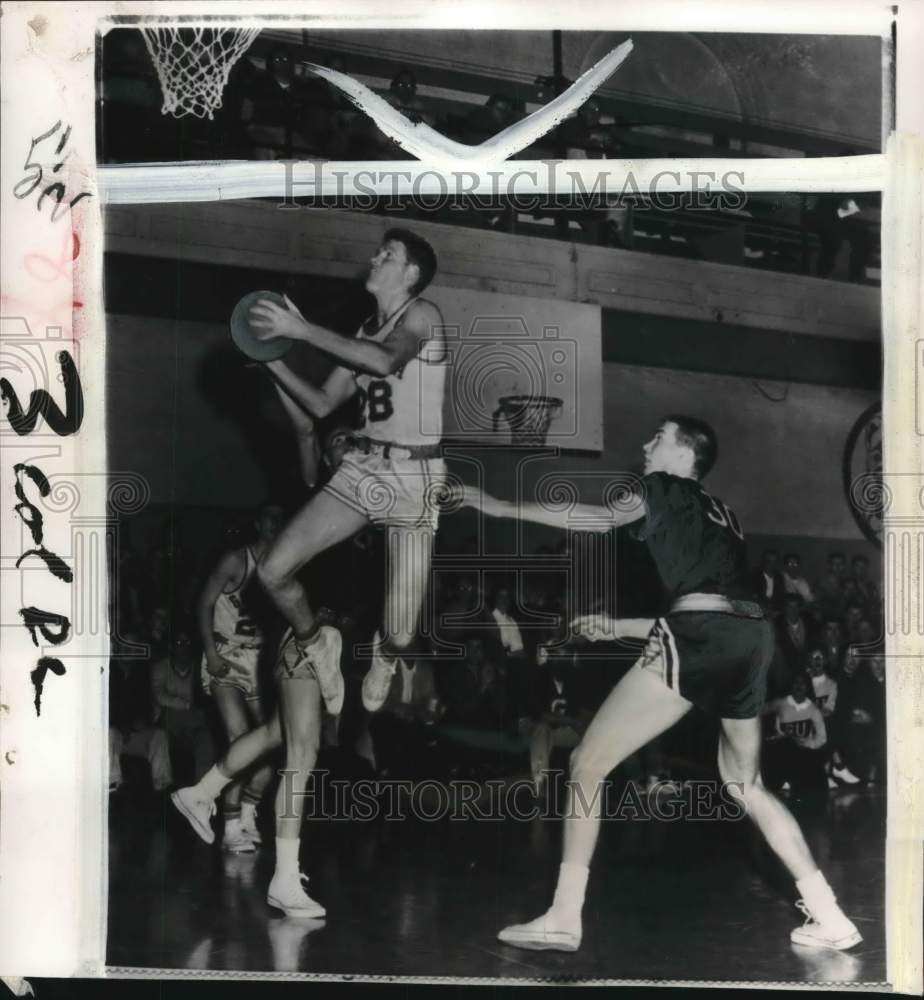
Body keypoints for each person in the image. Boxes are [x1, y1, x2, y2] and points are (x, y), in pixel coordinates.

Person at [461, 416, 861, 953]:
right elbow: (713, 609)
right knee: (747, 785)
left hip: (700, 634)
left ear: (683, 455)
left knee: (587, 764)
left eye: (658, 437)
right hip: (750, 637)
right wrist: (619, 629)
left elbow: (600, 520)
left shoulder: (660, 486)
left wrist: (499, 505)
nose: (645, 444)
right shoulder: (725, 516)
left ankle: (563, 916)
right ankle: (831, 916)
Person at [172, 229, 447, 918]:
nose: (374, 257)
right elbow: (322, 410)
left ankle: (383, 653)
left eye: (387, 253)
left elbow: (384, 361)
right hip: (367, 473)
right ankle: (317, 640)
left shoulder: (420, 315)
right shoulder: (357, 333)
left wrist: (298, 327)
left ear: (410, 270)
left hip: (414, 481)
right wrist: (272, 359)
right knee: (278, 569)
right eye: (378, 250)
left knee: (398, 630)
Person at [198, 504, 284, 852]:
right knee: (239, 738)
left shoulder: (284, 566)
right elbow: (202, 605)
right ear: (258, 524)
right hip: (226, 655)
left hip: (259, 658)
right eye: (269, 518)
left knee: (274, 739)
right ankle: (230, 825)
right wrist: (212, 653)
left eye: (281, 519)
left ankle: (248, 813)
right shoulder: (236, 560)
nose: (275, 524)